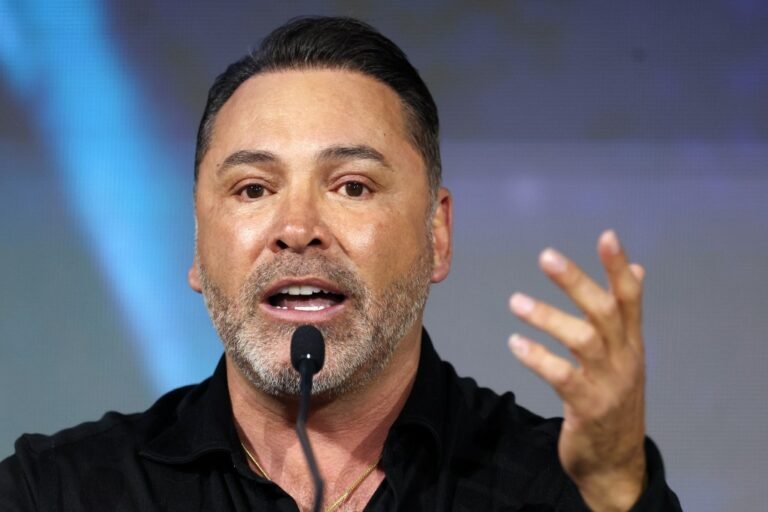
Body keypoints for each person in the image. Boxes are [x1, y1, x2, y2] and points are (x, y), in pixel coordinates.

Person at [0, 16, 681, 511]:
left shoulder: (560, 490)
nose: (297, 230)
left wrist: (614, 492)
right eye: (253, 190)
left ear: (437, 234)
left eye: (352, 186)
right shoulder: (57, 492)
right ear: (197, 247)